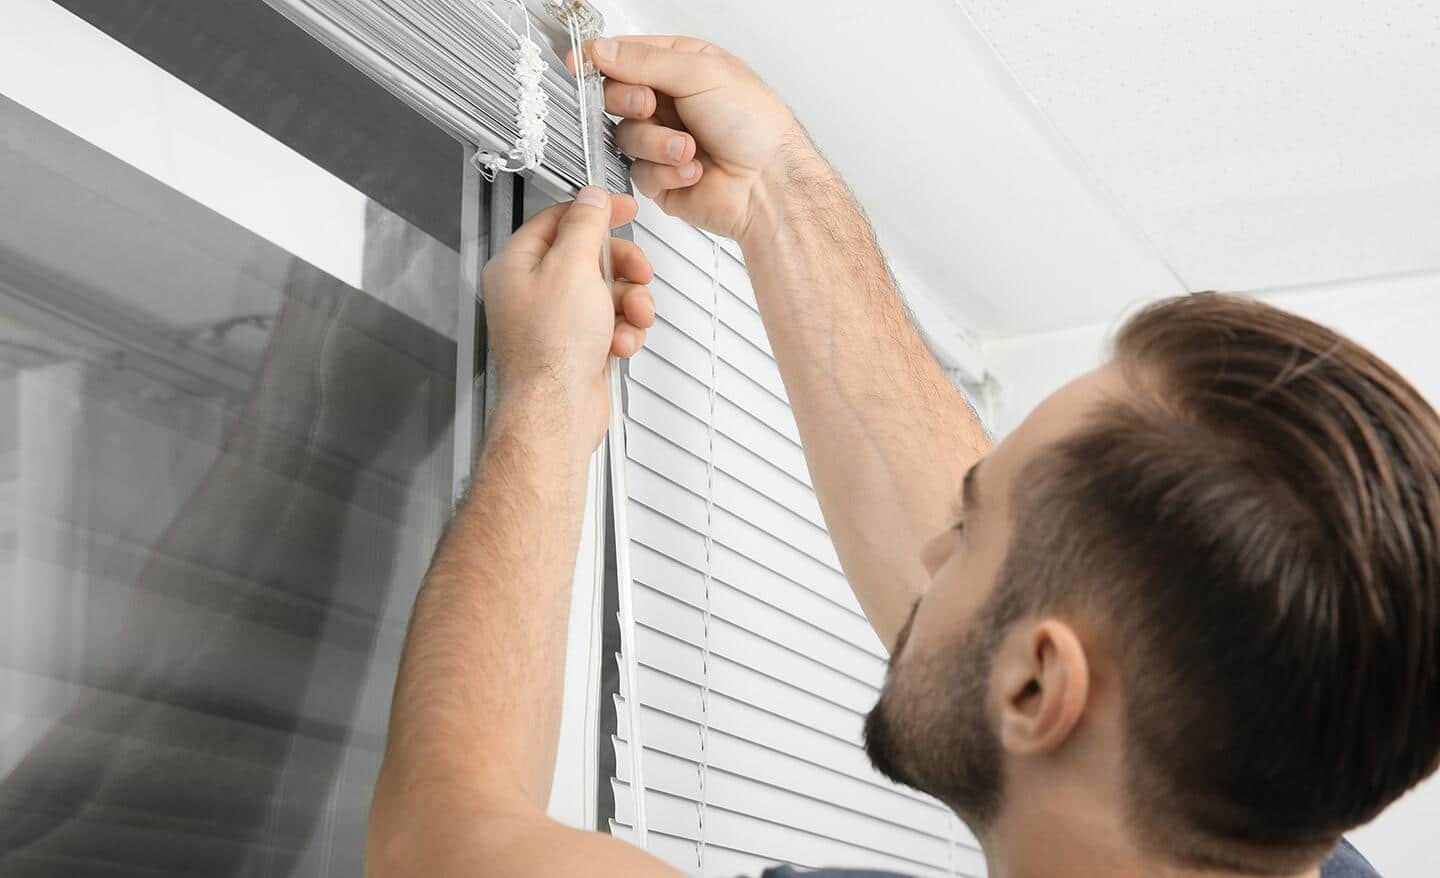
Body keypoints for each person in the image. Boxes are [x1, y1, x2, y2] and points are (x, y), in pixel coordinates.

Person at [366, 36, 1439, 878]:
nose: (933, 543)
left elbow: (443, 853)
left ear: (1037, 685)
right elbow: (1035, 589)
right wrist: (777, 190)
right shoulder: (1271, 817)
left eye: (968, 527)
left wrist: (550, 397)